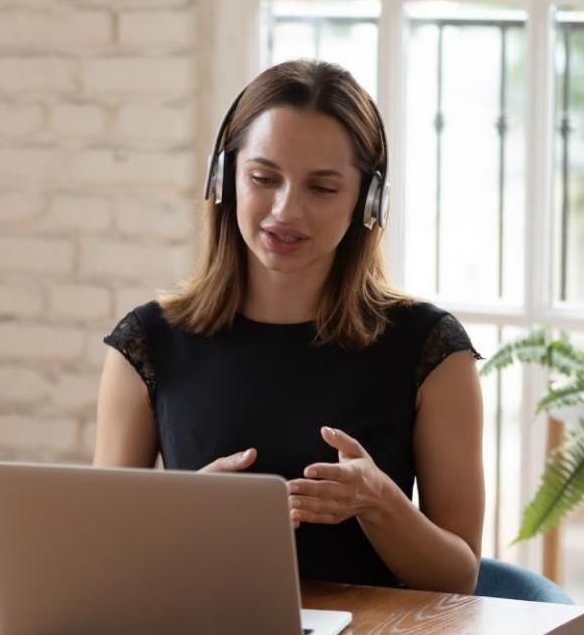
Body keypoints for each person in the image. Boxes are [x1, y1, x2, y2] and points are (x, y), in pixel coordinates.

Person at [93, 58, 485, 596]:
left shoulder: (431, 350)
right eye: (263, 178)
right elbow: (101, 558)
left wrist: (379, 502)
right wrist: (177, 519)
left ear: (368, 203)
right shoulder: (147, 342)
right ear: (224, 180)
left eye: (322, 188)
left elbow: (459, 578)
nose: (285, 210)